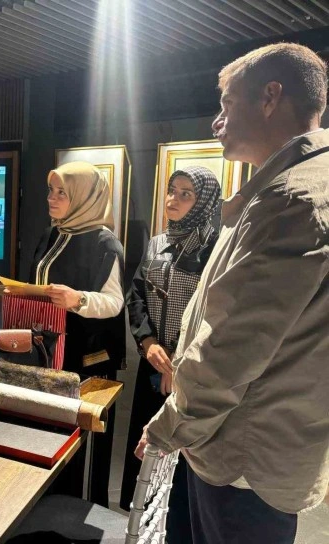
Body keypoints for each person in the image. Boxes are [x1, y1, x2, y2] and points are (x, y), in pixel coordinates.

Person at [138, 43, 329, 544]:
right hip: (259, 441)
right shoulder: (295, 187)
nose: (217, 121)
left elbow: (234, 345)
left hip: (243, 453)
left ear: (270, 97)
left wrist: (169, 427)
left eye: (227, 103)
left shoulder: (291, 199)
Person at [119, 166, 221, 541]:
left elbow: (213, 313)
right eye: (171, 190)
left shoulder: (215, 250)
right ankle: (142, 524)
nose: (173, 199)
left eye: (185, 194)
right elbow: (137, 295)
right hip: (153, 361)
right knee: (145, 448)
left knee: (181, 460)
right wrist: (147, 343)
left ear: (204, 202)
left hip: (190, 373)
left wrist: (178, 362)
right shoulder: (157, 242)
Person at [29, 161, 125, 507]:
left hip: (85, 357)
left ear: (85, 198)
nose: (51, 198)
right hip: (49, 351)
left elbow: (115, 302)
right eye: (50, 190)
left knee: (81, 439)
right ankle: (48, 506)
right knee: (50, 432)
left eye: (62, 193)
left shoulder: (105, 244)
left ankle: (77, 511)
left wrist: (78, 299)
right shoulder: (52, 234)